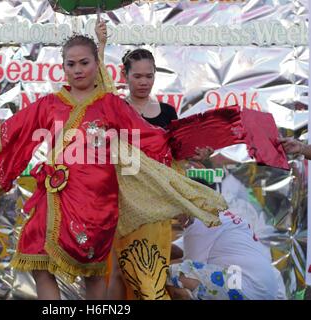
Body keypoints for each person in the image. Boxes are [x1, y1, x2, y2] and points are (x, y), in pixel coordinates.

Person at [0, 34, 227, 300]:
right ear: (63, 67)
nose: (78, 69)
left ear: (97, 64)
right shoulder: (50, 104)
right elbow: (11, 129)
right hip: (55, 193)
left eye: (84, 63)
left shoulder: (111, 104)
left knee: (93, 273)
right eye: (71, 64)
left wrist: (189, 147)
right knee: (37, 258)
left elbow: (150, 137)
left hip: (97, 200)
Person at [95, 18, 213, 300]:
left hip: (157, 208)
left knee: (152, 274)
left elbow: (174, 160)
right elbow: (100, 87)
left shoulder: (168, 113)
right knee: (121, 274)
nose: (144, 81)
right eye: (137, 76)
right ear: (125, 76)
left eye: (149, 76)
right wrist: (101, 45)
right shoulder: (118, 108)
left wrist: (184, 198)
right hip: (125, 203)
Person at [166, 178, 285, 300]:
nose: (173, 212)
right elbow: (178, 250)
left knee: (173, 274)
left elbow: (189, 267)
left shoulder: (202, 221)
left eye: (176, 202)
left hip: (248, 286)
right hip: (267, 288)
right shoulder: (222, 216)